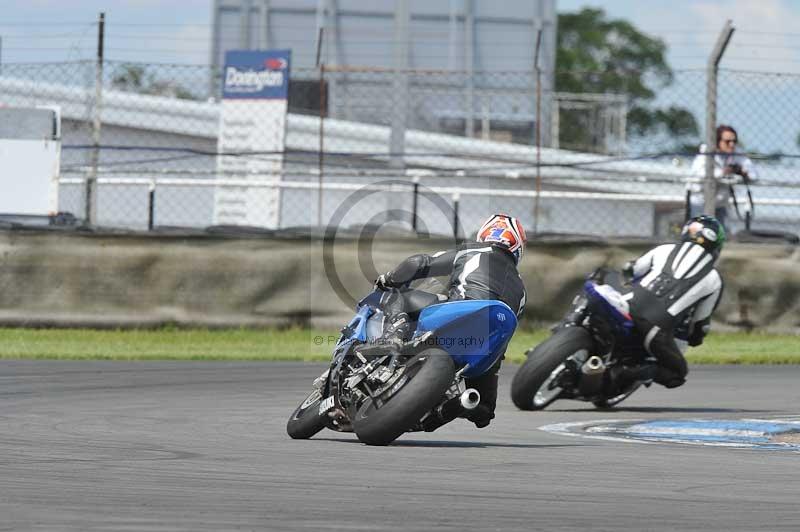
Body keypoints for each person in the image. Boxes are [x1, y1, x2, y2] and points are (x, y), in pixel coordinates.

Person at [357, 213, 527, 428]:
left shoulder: (474, 250)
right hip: (488, 343)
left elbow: (419, 263)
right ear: (518, 248)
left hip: (460, 311)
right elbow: (503, 339)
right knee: (483, 411)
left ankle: (393, 338)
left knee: (393, 294)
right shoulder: (522, 291)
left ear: (484, 235)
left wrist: (388, 279)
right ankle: (447, 410)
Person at [605, 215, 725, 392]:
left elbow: (631, 269)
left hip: (626, 304)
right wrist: (696, 338)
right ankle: (626, 373)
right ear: (716, 244)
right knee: (678, 373)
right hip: (655, 328)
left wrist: (629, 280)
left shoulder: (664, 249)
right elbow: (701, 323)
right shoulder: (714, 279)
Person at [689, 124, 758, 228]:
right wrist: (723, 173)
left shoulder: (737, 154)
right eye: (727, 141)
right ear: (717, 141)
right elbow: (699, 175)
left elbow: (754, 175)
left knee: (722, 234)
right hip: (701, 203)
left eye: (734, 141)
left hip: (721, 204)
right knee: (701, 233)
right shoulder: (705, 154)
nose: (731, 144)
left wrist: (743, 172)